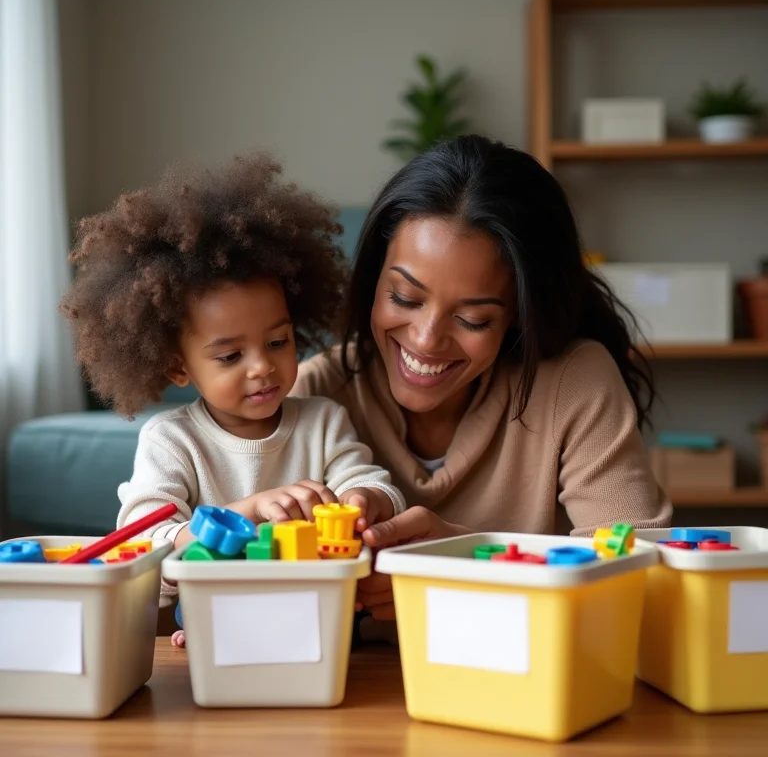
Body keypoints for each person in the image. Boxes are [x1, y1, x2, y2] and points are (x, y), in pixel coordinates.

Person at [292, 134, 673, 625]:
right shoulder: (313, 393)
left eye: (473, 319)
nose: (427, 340)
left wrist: (469, 561)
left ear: (520, 314)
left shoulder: (572, 382)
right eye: (404, 298)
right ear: (371, 280)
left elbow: (642, 574)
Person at [60, 153, 406, 645]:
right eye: (229, 356)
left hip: (314, 618)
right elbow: (142, 538)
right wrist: (243, 514)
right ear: (179, 366)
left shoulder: (323, 421)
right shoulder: (172, 440)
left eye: (278, 343)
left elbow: (373, 484)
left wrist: (364, 500)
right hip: (214, 619)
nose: (261, 367)